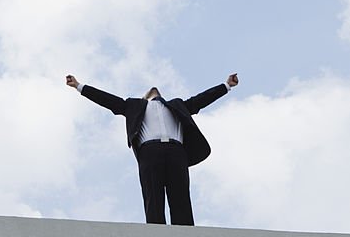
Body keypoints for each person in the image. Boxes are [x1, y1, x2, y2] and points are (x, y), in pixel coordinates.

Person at [66, 73, 239, 225]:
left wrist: (226, 85)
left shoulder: (177, 105)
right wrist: (79, 86)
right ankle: (156, 235)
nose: (153, 89)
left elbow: (201, 99)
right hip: (150, 152)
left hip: (176, 151)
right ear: (144, 97)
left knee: (181, 198)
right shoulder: (134, 106)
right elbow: (108, 100)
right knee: (153, 197)